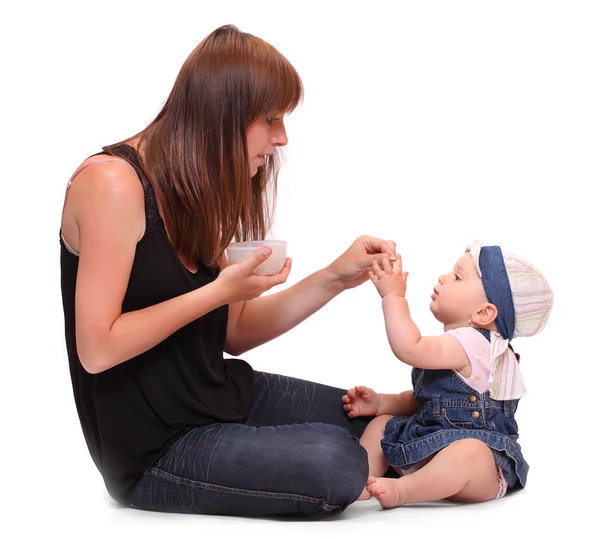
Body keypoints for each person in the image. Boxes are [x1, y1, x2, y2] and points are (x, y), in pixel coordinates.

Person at [59, 24, 396, 518]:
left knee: (387, 417)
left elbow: (234, 333)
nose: (281, 138)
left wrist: (334, 278)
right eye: (271, 119)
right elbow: (97, 347)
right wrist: (216, 292)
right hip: (156, 450)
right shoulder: (112, 183)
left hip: (220, 396)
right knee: (337, 462)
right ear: (224, 114)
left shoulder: (199, 185)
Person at [342, 241, 553, 508]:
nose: (443, 278)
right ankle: (362, 478)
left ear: (484, 312)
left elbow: (410, 348)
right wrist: (382, 402)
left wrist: (393, 298)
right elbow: (426, 401)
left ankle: (402, 490)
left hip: (480, 469)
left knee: (470, 451)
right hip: (430, 446)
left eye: (457, 277)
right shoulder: (458, 345)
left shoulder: (475, 344)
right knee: (382, 424)